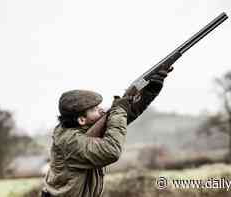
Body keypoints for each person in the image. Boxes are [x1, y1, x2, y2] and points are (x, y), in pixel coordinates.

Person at [43, 68, 172, 197]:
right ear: (81, 120)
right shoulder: (69, 141)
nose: (102, 111)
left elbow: (122, 117)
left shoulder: (81, 130)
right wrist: (118, 109)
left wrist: (150, 91)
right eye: (94, 109)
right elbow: (111, 151)